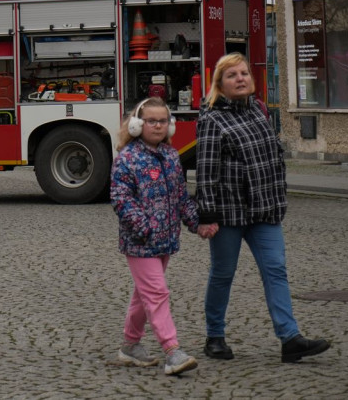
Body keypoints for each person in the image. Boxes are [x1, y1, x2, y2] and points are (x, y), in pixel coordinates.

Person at [196, 53, 331, 364]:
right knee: (222, 274)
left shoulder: (259, 111)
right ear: (220, 84)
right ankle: (214, 336)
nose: (241, 78)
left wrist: (279, 196)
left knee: (276, 270)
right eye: (232, 75)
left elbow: (273, 160)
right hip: (229, 213)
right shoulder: (212, 118)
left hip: (264, 211)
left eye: (244, 73)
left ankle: (290, 338)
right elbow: (206, 171)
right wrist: (207, 213)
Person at [111, 97, 201, 376]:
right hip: (140, 243)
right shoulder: (127, 158)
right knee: (157, 293)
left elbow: (180, 197)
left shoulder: (172, 156)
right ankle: (172, 351)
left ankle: (130, 346)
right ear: (138, 124)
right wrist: (144, 228)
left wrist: (198, 223)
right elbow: (120, 198)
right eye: (151, 120)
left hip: (166, 241)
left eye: (163, 120)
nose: (158, 125)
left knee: (144, 294)